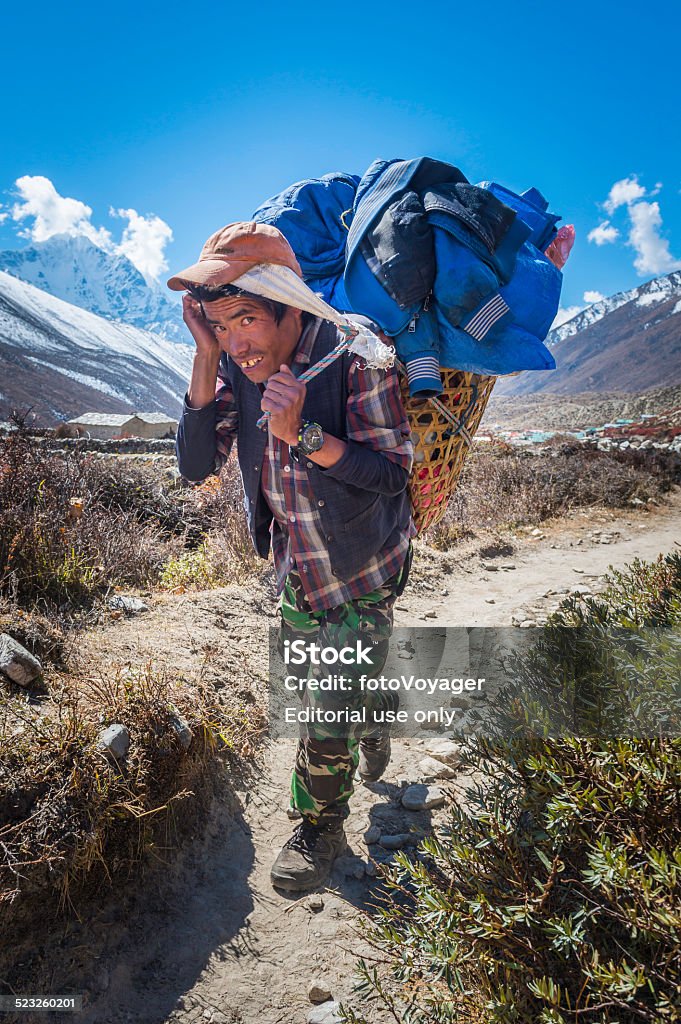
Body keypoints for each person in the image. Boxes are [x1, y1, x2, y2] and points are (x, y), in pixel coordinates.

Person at [167, 221, 413, 891]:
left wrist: (302, 434)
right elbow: (194, 466)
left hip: (363, 563)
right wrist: (206, 358)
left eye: (244, 318)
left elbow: (392, 474)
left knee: (324, 705)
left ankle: (319, 828)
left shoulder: (356, 355)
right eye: (220, 324)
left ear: (287, 304)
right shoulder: (239, 366)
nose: (236, 339)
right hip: (296, 567)